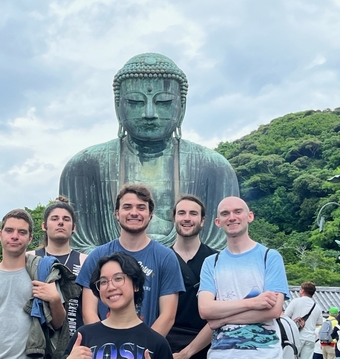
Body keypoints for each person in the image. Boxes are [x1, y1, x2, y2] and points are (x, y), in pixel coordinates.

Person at [59, 52, 239, 254]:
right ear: (118, 107)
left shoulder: (213, 167)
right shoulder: (85, 166)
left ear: (182, 107)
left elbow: (223, 248)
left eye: (164, 102)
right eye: (136, 102)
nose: (150, 114)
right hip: (111, 278)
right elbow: (75, 247)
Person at [76, 183, 185, 337]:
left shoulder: (166, 257)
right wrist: (106, 345)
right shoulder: (97, 256)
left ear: (151, 214)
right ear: (116, 213)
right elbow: (89, 312)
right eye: (127, 207)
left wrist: (142, 348)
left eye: (141, 207)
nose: (134, 213)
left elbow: (167, 317)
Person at [0, 209, 66, 359]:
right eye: (9, 230)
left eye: (22, 232)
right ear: (0, 234)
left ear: (30, 239)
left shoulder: (43, 275)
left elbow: (58, 324)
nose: (15, 236)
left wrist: (54, 300)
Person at [198, 196, 289, 358]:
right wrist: (254, 302)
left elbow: (274, 311)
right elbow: (205, 310)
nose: (232, 217)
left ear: (250, 216)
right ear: (218, 222)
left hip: (264, 353)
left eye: (238, 212)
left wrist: (221, 320)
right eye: (225, 214)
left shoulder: (270, 257)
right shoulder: (211, 262)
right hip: (220, 354)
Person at [64, 251, 173, 358]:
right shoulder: (84, 336)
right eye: (103, 281)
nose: (111, 287)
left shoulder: (157, 343)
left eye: (118, 278)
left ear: (135, 285)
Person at [27, 196, 87, 337]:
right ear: (44, 226)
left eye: (66, 219)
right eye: (54, 219)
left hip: (74, 338)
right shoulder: (30, 258)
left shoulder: (85, 261)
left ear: (73, 228)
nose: (60, 222)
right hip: (37, 337)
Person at [167, 195, 217, 359]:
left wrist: (186, 353)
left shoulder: (217, 261)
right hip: (165, 343)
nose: (187, 218)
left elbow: (221, 315)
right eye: (181, 213)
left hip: (207, 345)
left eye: (193, 213)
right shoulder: (161, 258)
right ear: (174, 218)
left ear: (203, 220)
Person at [284, 281, 323, 359]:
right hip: (310, 338)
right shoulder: (317, 307)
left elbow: (285, 316)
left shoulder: (295, 302)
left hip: (297, 336)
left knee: (292, 356)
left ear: (302, 290)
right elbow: (319, 323)